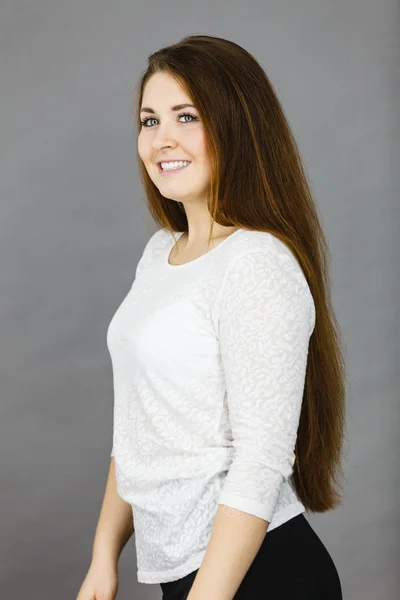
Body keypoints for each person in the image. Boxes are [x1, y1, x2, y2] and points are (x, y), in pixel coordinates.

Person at [76, 34, 346, 600]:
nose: (161, 139)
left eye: (187, 116)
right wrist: (104, 555)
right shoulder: (160, 255)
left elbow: (260, 460)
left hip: (258, 574)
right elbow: (138, 428)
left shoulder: (256, 263)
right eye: (150, 120)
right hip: (185, 576)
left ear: (237, 126)